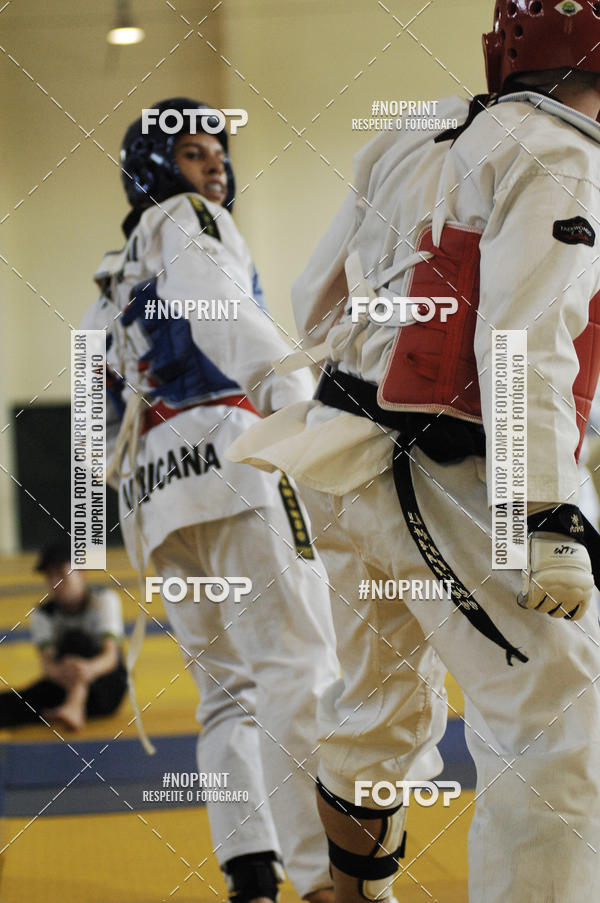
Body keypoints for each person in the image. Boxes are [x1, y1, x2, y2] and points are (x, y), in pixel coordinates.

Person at [229, 3, 600, 901]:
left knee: (377, 703)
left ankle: (348, 890)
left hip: (340, 453)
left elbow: (315, 296)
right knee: (558, 721)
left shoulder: (420, 131)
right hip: (452, 476)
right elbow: (522, 340)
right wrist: (545, 516)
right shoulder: (563, 156)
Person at [81, 98, 339, 903]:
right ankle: (326, 874)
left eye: (218, 151)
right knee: (299, 665)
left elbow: (94, 431)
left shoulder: (106, 280)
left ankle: (250, 871)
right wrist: (300, 406)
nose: (215, 165)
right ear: (160, 170)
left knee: (228, 693)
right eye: (195, 152)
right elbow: (220, 310)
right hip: (235, 462)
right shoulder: (186, 220)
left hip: (157, 499)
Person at [0, 540, 127, 731]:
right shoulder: (43, 614)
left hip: (105, 690)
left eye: (60, 573)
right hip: (63, 684)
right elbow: (48, 667)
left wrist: (87, 670)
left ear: (82, 573)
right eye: (49, 576)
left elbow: (110, 657)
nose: (54, 583)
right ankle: (70, 707)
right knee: (11, 704)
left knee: (75, 640)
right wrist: (67, 672)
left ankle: (75, 704)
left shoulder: (103, 601)